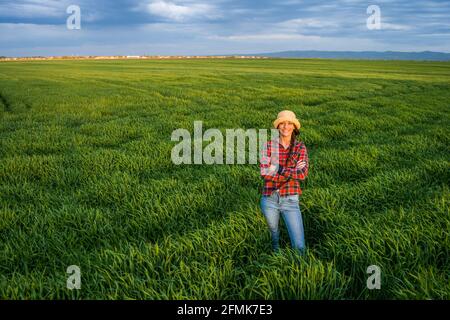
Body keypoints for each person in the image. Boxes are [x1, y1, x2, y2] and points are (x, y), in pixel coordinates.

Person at [259, 110, 309, 254]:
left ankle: (300, 270)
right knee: (274, 238)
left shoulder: (300, 147)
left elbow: (303, 174)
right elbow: (265, 173)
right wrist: (291, 171)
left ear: (294, 127)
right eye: (282, 123)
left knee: (299, 246)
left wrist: (278, 168)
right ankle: (277, 262)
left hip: (290, 199)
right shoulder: (268, 146)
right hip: (269, 199)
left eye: (289, 123)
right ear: (277, 127)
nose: (285, 127)